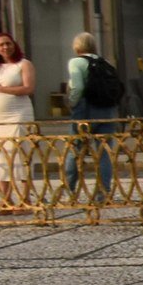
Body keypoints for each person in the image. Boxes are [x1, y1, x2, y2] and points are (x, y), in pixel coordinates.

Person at [61, 31, 121, 202]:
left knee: (75, 150)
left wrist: (71, 103)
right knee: (104, 152)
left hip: (85, 111)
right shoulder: (105, 62)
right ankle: (104, 192)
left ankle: (69, 191)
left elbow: (78, 87)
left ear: (76, 46)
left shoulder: (76, 62)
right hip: (107, 111)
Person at [0, 31, 37, 206]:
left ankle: (25, 199)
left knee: (20, 156)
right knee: (0, 157)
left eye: (8, 43)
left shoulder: (23, 64)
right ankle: (6, 200)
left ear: (14, 45)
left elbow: (28, 88)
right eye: (1, 45)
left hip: (18, 114)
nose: (6, 47)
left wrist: (0, 89)